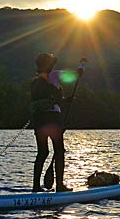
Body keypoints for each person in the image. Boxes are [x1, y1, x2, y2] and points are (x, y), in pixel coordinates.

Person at [30, 53, 85, 192]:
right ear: (50, 65)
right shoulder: (55, 74)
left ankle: (36, 187)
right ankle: (60, 186)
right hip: (53, 119)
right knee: (59, 151)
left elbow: (50, 98)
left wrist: (65, 100)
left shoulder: (36, 81)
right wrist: (81, 68)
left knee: (42, 153)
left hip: (39, 120)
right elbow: (75, 76)